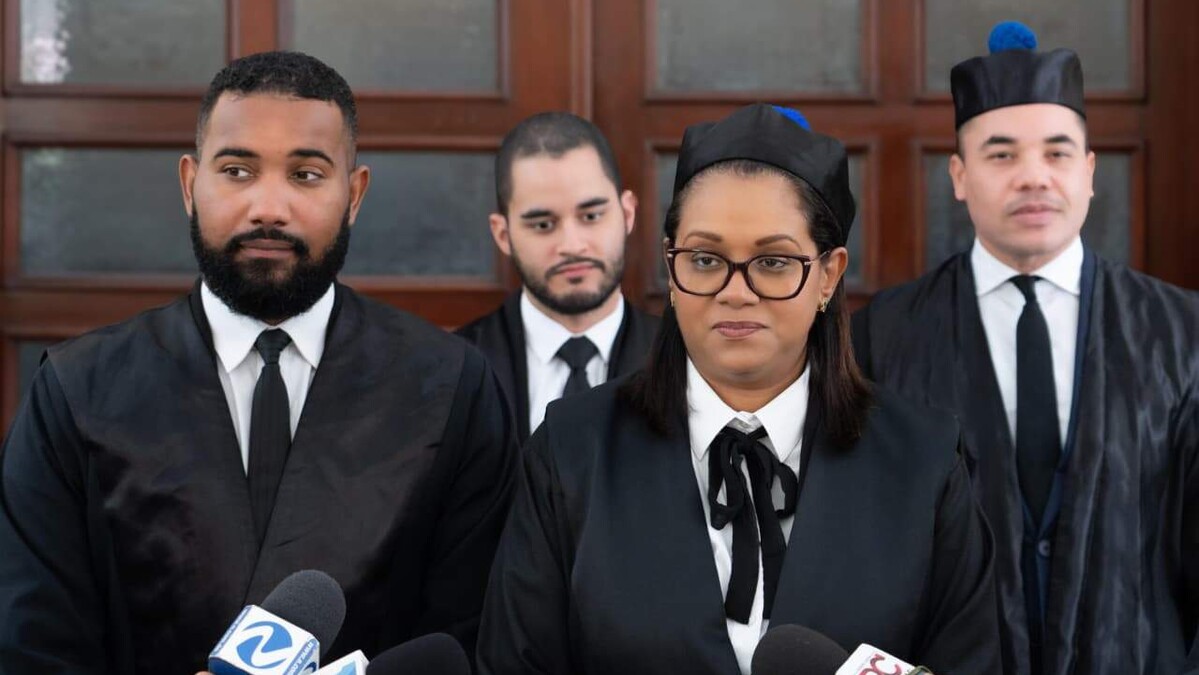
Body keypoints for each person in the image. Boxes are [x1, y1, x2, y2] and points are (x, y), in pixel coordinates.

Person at [0, 51, 518, 674]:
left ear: (354, 194)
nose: (269, 207)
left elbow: (476, 635)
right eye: (238, 170)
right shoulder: (77, 392)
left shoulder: (449, 385)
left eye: (306, 174)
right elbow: (30, 643)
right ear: (190, 184)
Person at [476, 103, 1001, 675]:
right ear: (671, 269)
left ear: (828, 275)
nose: (735, 292)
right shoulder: (571, 452)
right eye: (705, 259)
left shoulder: (922, 462)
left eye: (773, 262)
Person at [853, 22, 1199, 675]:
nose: (1033, 177)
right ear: (959, 175)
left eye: (1057, 153)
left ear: (1089, 171)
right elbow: (862, 548)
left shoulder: (1181, 333)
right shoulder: (885, 335)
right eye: (1001, 154)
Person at [456, 113, 659, 442]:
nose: (572, 246)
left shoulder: (687, 364)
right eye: (543, 225)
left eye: (591, 216)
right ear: (503, 235)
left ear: (627, 214)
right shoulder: (453, 369)